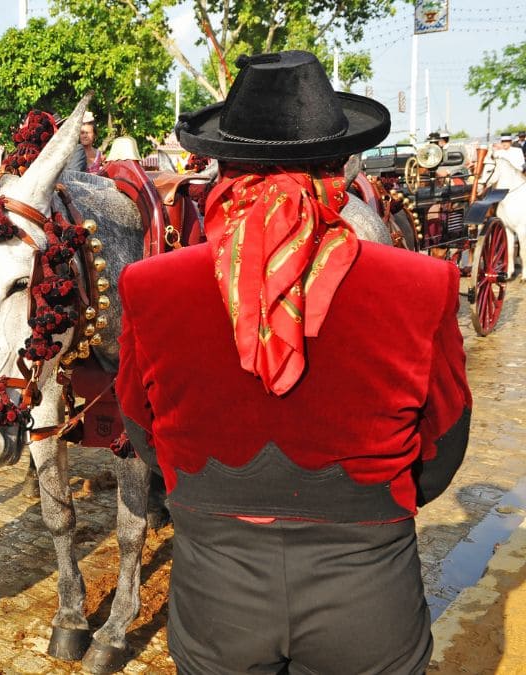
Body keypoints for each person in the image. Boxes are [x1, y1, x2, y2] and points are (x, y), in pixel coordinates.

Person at [116, 51, 470, 674]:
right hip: (367, 594)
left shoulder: (150, 287)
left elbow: (143, 431)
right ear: (340, 164)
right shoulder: (424, 283)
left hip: (215, 591)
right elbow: (441, 446)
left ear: (223, 167)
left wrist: (212, 498)